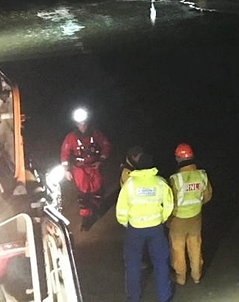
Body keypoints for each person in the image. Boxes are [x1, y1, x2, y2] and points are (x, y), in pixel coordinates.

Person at [115, 152, 174, 302]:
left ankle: (133, 297)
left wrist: (126, 223)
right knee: (160, 262)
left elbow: (121, 209)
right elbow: (169, 205)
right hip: (156, 228)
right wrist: (161, 218)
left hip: (135, 229)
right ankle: (164, 296)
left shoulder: (129, 184)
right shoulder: (160, 183)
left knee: (133, 264)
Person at [167, 142, 212, 286]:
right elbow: (207, 195)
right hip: (195, 218)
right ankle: (196, 275)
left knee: (177, 248)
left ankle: (181, 278)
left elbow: (169, 201)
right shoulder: (202, 175)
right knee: (195, 245)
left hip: (178, 220)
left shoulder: (175, 179)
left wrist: (167, 218)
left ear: (178, 159)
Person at [59, 107, 111, 224]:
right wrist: (66, 170)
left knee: (97, 190)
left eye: (84, 123)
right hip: (79, 169)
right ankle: (86, 216)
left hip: (94, 167)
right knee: (83, 192)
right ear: (76, 124)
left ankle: (97, 209)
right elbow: (64, 153)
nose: (82, 126)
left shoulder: (96, 134)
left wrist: (101, 161)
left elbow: (106, 145)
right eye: (79, 123)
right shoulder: (71, 137)